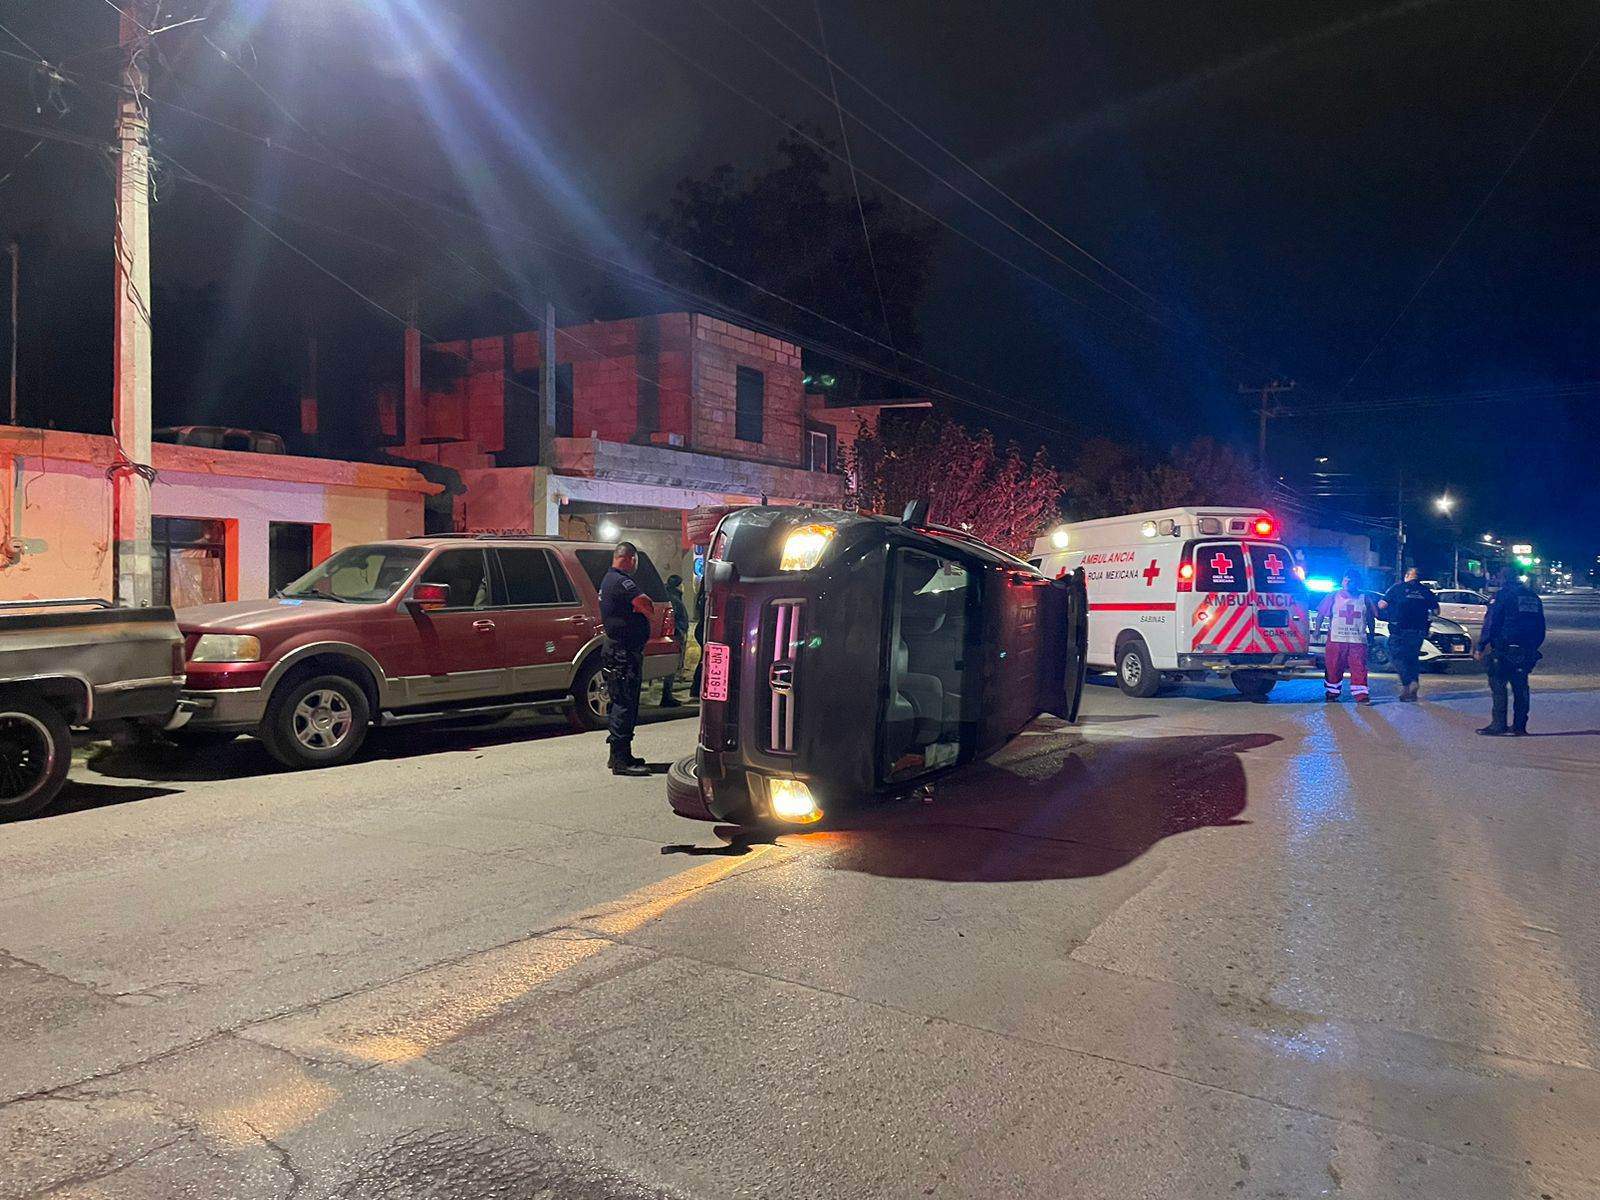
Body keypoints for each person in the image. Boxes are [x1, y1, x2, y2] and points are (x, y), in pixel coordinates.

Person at [598, 542, 654, 775]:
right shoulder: (622, 581)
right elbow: (646, 605)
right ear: (630, 558)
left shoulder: (608, 580)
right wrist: (644, 609)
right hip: (623, 652)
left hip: (618, 650)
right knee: (625, 703)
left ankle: (620, 754)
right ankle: (621, 760)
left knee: (622, 700)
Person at [1475, 567, 1545, 736]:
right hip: (1526, 649)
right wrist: (1533, 647)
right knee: (1521, 688)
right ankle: (1520, 726)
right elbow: (1541, 626)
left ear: (1502, 578)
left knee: (1498, 685)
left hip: (1504, 649)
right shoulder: (1533, 597)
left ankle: (1498, 725)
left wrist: (1481, 646)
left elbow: (1492, 623)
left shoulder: (1502, 596)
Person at [1378, 566, 1439, 701]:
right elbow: (1436, 611)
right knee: (1412, 658)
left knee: (1396, 656)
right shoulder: (1426, 591)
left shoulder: (1397, 588)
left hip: (1399, 629)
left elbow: (1381, 605)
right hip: (1419, 630)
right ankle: (1412, 690)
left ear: (1407, 576)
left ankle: (1408, 683)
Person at [1317, 572, 1376, 704]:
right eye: (1346, 580)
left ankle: (1361, 695)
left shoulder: (1364, 598)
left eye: (1352, 581)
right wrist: (1316, 631)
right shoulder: (1333, 596)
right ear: (1342, 581)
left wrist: (1372, 633)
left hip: (1357, 640)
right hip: (1336, 639)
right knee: (1333, 666)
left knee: (1359, 667)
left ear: (1357, 583)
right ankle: (1332, 692)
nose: (1348, 583)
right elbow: (1321, 614)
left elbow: (1370, 618)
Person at [658, 574, 690, 707]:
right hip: (675, 635)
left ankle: (667, 694)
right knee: (672, 667)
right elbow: (678, 618)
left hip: (671, 634)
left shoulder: (667, 596)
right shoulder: (675, 599)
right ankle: (667, 695)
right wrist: (681, 631)